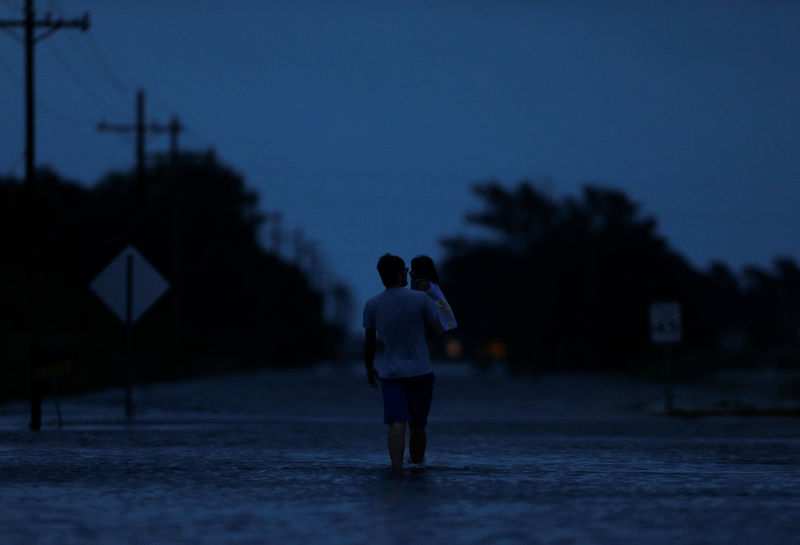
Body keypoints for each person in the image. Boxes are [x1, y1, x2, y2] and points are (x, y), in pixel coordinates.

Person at [363, 253, 443, 473]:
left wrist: (369, 367)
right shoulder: (421, 299)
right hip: (421, 371)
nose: (408, 273)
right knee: (418, 424)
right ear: (399, 274)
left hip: (391, 373)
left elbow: (369, 343)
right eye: (406, 270)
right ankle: (417, 468)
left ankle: (397, 470)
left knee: (396, 423)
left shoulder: (372, 304)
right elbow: (437, 333)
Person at [409, 255, 457, 331]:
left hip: (439, 319)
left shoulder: (424, 283)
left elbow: (414, 298)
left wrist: (412, 279)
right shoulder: (432, 282)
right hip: (445, 316)